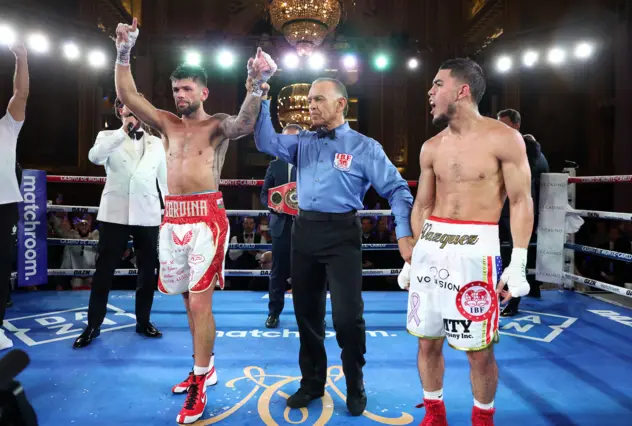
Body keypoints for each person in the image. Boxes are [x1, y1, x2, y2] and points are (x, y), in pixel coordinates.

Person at [112, 18, 277, 424]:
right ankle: (206, 366)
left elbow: (244, 124)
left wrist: (256, 85)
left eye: (187, 89)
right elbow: (129, 95)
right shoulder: (167, 124)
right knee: (188, 303)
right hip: (173, 220)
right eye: (175, 89)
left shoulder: (216, 125)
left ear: (203, 91)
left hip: (207, 220)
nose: (180, 95)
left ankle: (201, 382)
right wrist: (123, 51)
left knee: (201, 303)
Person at [253, 77, 414, 416]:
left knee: (346, 318)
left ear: (341, 104)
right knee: (306, 315)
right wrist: (261, 95)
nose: (310, 105)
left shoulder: (364, 147)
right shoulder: (302, 142)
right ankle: (312, 382)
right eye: (309, 99)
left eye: (318, 99)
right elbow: (265, 140)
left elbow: (398, 190)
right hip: (305, 231)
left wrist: (402, 233)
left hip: (342, 234)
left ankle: (355, 382)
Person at [397, 58, 533, 426]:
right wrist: (414, 257)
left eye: (437, 84)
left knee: (479, 350)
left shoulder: (503, 138)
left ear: (462, 90)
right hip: (431, 246)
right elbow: (423, 204)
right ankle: (435, 415)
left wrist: (518, 260)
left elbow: (521, 200)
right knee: (426, 341)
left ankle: (482, 420)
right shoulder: (430, 147)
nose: (430, 91)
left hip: (476, 247)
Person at [72, 97, 168, 348]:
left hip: (147, 213)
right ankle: (93, 324)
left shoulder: (157, 142)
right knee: (104, 270)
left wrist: (170, 210)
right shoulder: (107, 136)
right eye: (126, 107)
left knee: (148, 271)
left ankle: (143, 320)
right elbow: (94, 157)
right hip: (115, 214)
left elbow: (164, 180)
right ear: (119, 111)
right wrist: (123, 130)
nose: (132, 112)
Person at [497, 109, 550, 315]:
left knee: (516, 256)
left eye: (505, 124)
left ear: (516, 125)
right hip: (502, 212)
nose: (500, 128)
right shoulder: (500, 147)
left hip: (520, 212)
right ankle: (522, 289)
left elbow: (538, 169)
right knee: (504, 254)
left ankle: (514, 302)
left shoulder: (529, 148)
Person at [0, 41, 28, 351]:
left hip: (5, 204)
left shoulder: (7, 127)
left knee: (0, 267)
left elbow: (20, 94)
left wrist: (21, 58)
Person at [259, 123, 302, 328]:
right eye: (285, 139)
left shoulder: (309, 164)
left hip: (306, 227)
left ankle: (310, 315)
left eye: (294, 138)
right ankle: (273, 313)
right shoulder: (274, 166)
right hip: (281, 226)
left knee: (308, 272)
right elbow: (263, 195)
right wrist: (274, 204)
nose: (289, 143)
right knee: (278, 272)